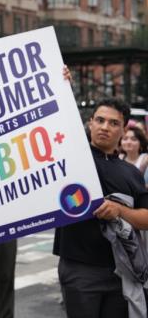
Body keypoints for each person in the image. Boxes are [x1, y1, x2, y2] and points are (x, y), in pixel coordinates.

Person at [53, 98, 148, 317]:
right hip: (79, 269)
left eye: (114, 123)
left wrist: (120, 210)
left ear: (124, 130)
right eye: (100, 120)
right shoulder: (71, 158)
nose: (105, 127)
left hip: (122, 272)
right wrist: (61, 82)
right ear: (90, 123)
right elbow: (57, 124)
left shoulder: (132, 172)